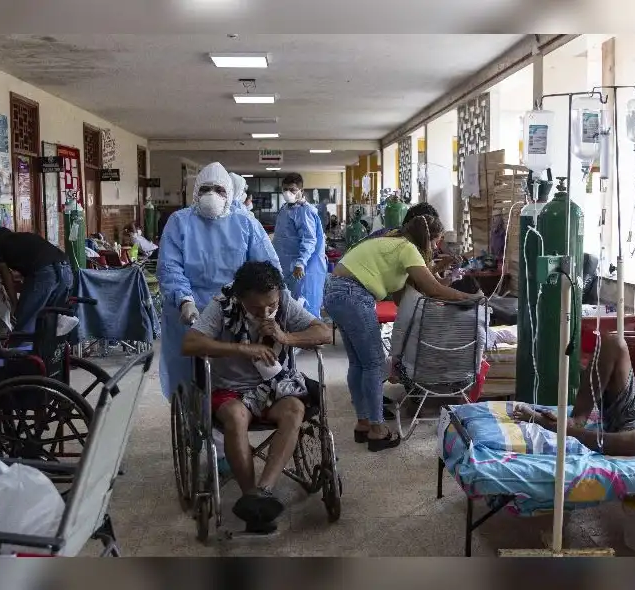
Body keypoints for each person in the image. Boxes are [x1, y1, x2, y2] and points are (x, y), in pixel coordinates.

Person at [182, 261, 332, 532]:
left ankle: (262, 493)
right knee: (235, 416)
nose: (265, 313)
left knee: (294, 410)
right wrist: (242, 348)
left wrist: (285, 337)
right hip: (230, 388)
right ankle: (249, 493)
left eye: (271, 305)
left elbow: (324, 332)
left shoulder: (284, 300)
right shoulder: (222, 305)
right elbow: (190, 343)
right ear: (241, 299)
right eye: (255, 308)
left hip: (275, 385)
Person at [323, 214, 480, 451]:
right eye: (436, 241)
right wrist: (472, 298)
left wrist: (440, 272)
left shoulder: (393, 242)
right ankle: (377, 429)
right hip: (354, 295)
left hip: (335, 291)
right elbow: (432, 289)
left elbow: (404, 296)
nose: (436, 247)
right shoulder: (408, 248)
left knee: (359, 363)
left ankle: (364, 423)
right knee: (374, 364)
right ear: (427, 239)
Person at [157, 162, 282, 403]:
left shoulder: (245, 223)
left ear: (230, 193)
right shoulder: (179, 222)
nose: (211, 195)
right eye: (205, 189)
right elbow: (170, 267)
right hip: (189, 311)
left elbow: (267, 268)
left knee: (234, 374)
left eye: (219, 189)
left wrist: (264, 306)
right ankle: (193, 413)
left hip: (236, 310)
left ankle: (234, 409)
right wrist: (184, 300)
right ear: (196, 192)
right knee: (189, 376)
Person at [0, 226, 73, 334]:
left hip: (45, 272)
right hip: (66, 268)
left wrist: (14, 303)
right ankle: (49, 344)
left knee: (24, 321)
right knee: (50, 320)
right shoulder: (24, 238)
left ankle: (21, 344)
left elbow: (6, 276)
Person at [272, 173, 327, 318]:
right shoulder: (285, 208)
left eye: (292, 190)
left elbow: (309, 239)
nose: (287, 193)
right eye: (285, 189)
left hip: (300, 269)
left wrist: (301, 263)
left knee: (304, 308)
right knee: (287, 308)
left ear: (301, 191)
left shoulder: (305, 211)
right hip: (285, 266)